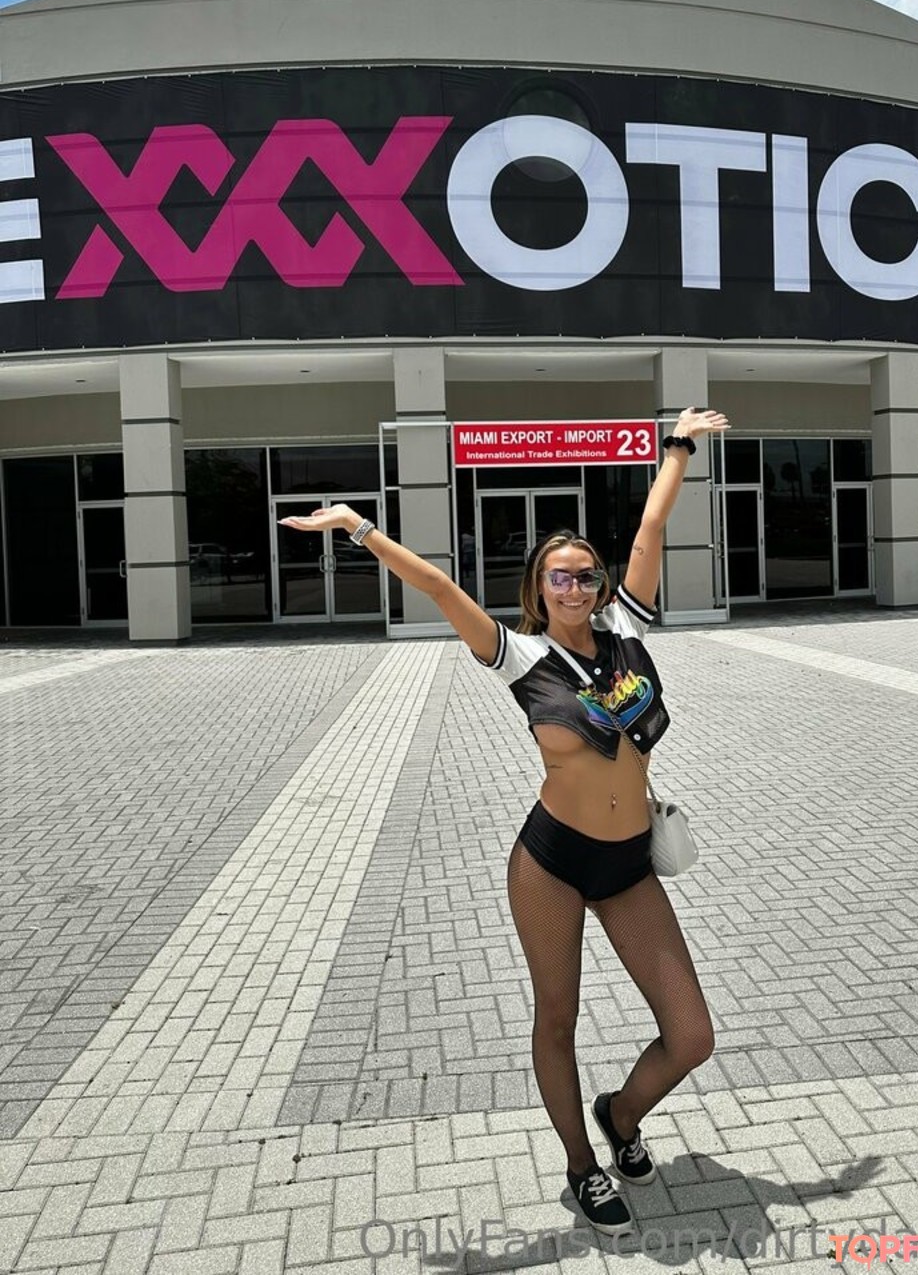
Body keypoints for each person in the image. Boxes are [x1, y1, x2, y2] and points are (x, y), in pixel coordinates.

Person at [279, 405, 728, 1239]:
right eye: (560, 577)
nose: (576, 587)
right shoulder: (520, 656)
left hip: (628, 862)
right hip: (551, 862)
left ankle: (621, 1114)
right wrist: (358, 528)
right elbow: (439, 587)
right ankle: (582, 1165)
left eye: (586, 575)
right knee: (556, 1016)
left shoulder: (625, 631)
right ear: (538, 588)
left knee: (692, 1033)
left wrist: (679, 444)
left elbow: (651, 527)